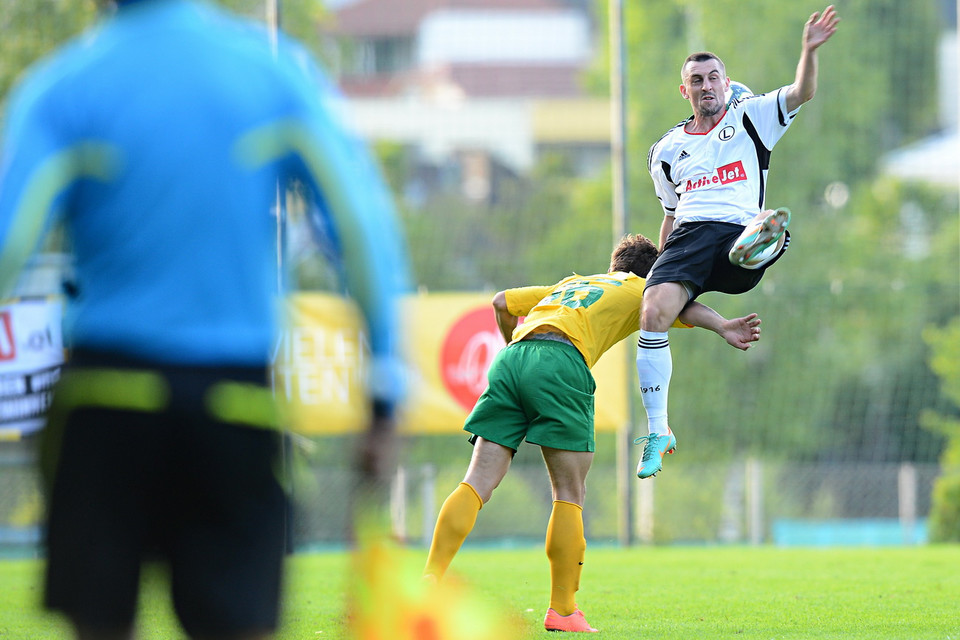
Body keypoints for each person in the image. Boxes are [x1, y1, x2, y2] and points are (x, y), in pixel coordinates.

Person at [0, 1, 409, 639]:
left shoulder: (63, 86)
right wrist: (384, 390)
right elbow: (360, 231)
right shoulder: (271, 75)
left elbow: (8, 244)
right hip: (233, 405)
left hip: (105, 399)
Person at [422, 234, 761, 633]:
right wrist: (724, 326)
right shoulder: (644, 287)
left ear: (614, 265)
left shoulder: (572, 284)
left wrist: (512, 343)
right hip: (561, 362)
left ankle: (429, 579)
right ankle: (563, 611)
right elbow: (681, 306)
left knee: (476, 480)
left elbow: (501, 301)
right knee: (569, 494)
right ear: (653, 272)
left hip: (511, 359)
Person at [635, 6, 840, 479]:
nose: (706, 85)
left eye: (714, 77)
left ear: (726, 83)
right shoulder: (666, 152)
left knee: (749, 236)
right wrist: (660, 272)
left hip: (735, 232)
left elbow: (801, 92)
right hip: (689, 239)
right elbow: (668, 216)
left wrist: (808, 51)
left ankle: (767, 239)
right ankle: (658, 431)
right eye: (697, 80)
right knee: (653, 311)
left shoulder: (752, 116)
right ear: (684, 90)